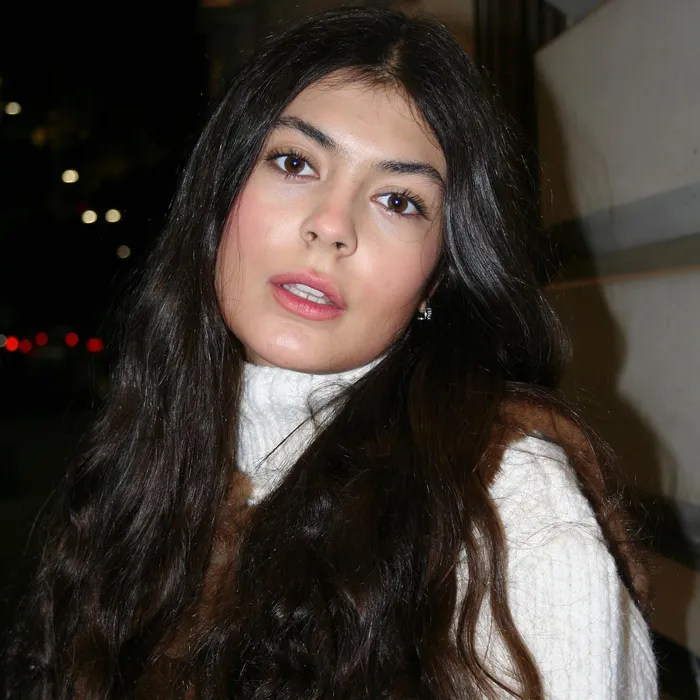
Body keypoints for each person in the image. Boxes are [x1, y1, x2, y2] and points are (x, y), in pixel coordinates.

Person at [4, 7, 657, 700]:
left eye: (399, 201)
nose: (330, 226)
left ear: (439, 276)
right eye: (295, 163)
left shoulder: (507, 501)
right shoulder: (155, 447)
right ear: (221, 194)